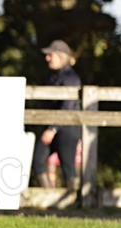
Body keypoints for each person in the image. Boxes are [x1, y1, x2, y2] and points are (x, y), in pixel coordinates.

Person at [32, 40, 82, 190]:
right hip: (52, 126)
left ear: (61, 56)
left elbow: (67, 107)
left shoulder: (71, 79)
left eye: (50, 55)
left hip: (67, 128)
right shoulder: (54, 77)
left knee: (67, 165)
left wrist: (52, 128)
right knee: (38, 160)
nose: (47, 58)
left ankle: (73, 199)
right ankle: (49, 196)